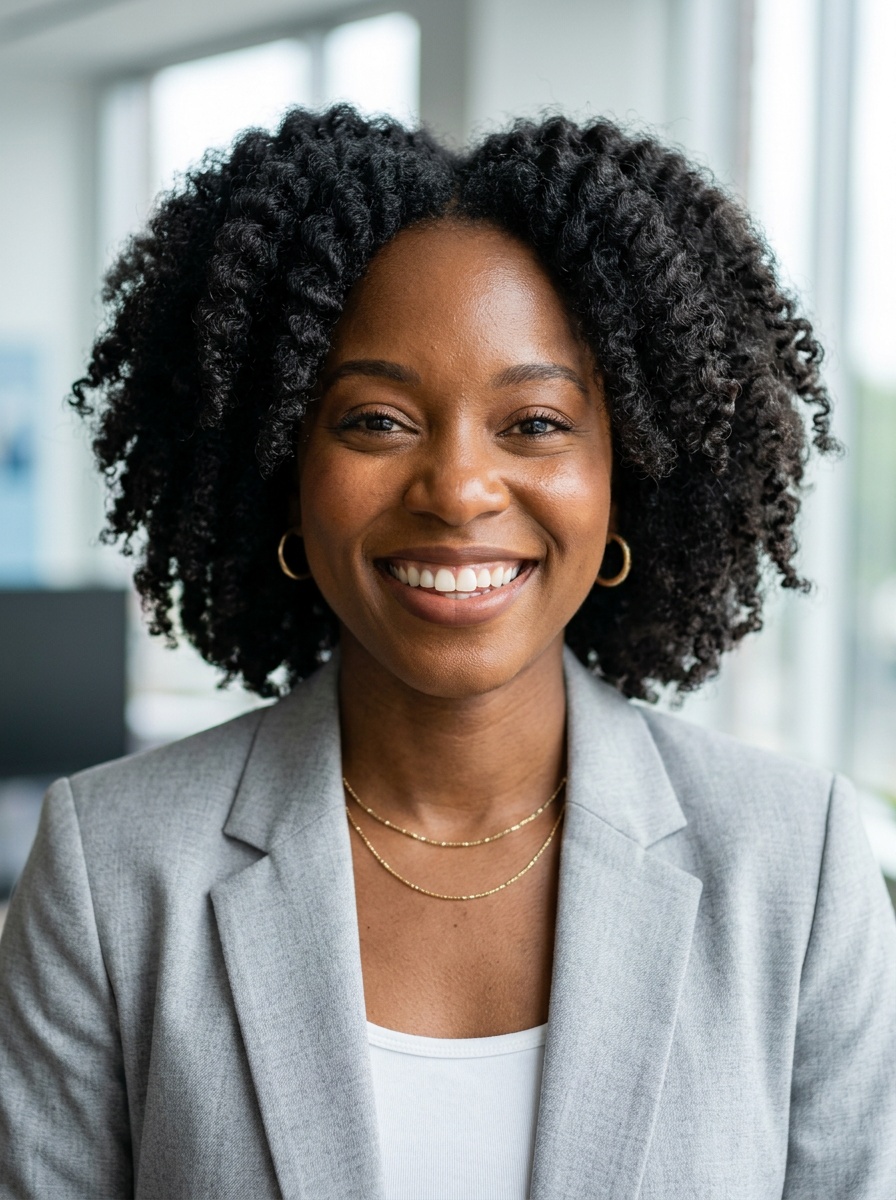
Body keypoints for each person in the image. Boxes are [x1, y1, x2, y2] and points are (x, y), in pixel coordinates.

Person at [0, 106, 894, 1200]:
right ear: (282, 460)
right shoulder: (112, 870)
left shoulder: (790, 867)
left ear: (627, 475)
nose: (458, 490)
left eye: (534, 424)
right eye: (376, 420)